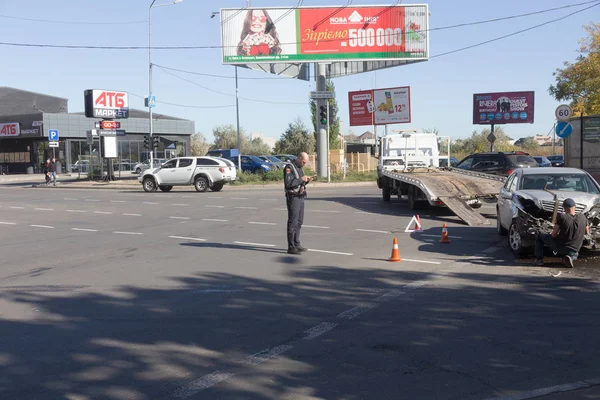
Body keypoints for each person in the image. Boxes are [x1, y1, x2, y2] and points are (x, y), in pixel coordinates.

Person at [535, 198, 590, 268]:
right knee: (573, 252)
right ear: (575, 207)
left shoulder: (562, 217)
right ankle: (569, 258)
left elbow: (553, 235)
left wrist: (551, 235)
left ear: (564, 208)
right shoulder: (583, 217)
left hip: (561, 247)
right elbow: (587, 232)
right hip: (575, 248)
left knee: (539, 233)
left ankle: (539, 259)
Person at [284, 152, 314, 255]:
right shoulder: (289, 167)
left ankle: (297, 243)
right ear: (299, 158)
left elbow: (300, 182)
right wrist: (301, 179)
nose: (304, 164)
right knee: (293, 222)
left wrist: (307, 180)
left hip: (300, 197)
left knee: (299, 222)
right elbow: (288, 183)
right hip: (293, 197)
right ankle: (291, 247)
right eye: (304, 161)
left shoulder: (300, 168)